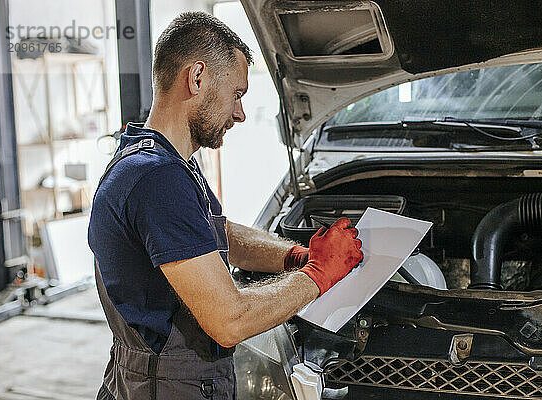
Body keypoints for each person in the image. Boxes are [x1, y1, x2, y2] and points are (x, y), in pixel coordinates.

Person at [88, 11, 363, 400]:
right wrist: (318, 275)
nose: (240, 113)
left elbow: (221, 235)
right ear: (197, 77)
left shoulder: (163, 161)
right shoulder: (156, 179)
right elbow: (229, 320)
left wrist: (295, 255)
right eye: (237, 94)